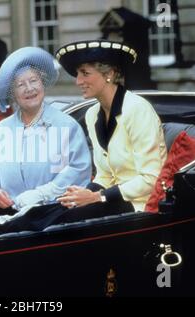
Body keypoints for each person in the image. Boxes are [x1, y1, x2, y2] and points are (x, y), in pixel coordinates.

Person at [0, 47, 91, 240]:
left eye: (34, 81)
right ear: (13, 93)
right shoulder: (3, 128)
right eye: (21, 84)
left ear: (43, 83)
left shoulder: (65, 126)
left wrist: (39, 195)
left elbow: (76, 172)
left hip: (48, 216)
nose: (29, 88)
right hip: (5, 212)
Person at [54, 40, 167, 220]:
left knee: (65, 222)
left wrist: (97, 197)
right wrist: (83, 194)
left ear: (109, 74)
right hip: (110, 201)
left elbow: (151, 178)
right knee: (53, 211)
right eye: (77, 74)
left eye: (85, 73)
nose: (78, 81)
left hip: (140, 205)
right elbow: (105, 175)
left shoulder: (137, 109)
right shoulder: (92, 114)